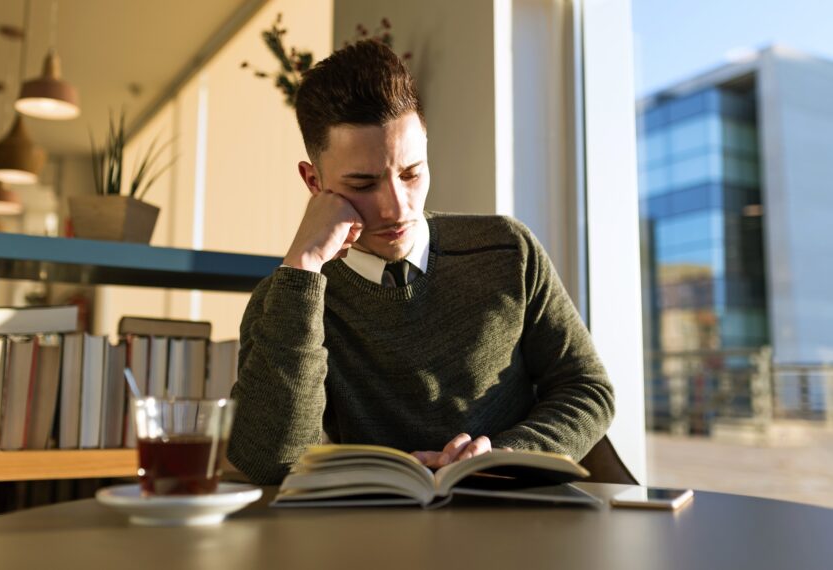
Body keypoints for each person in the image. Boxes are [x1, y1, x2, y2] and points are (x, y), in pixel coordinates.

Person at [227, 40, 614, 485]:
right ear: (314, 181)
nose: (397, 207)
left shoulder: (507, 248)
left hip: (519, 521)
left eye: (411, 173)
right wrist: (303, 264)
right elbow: (270, 461)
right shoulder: (285, 303)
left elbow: (588, 389)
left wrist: (508, 455)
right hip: (375, 542)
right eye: (363, 183)